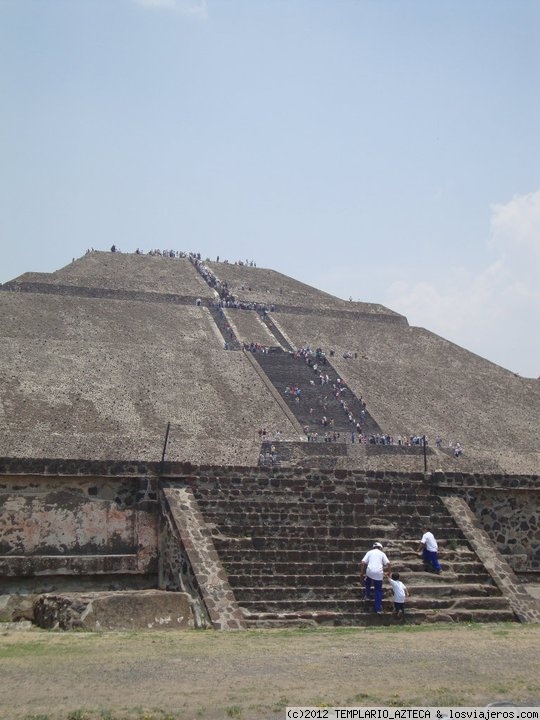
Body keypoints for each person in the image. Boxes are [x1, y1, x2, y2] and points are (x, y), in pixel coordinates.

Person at [360, 542, 391, 614]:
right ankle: (378, 609)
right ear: (380, 548)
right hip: (378, 573)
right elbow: (388, 563)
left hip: (370, 571)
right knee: (378, 590)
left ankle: (367, 596)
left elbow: (362, 562)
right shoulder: (382, 554)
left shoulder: (369, 552)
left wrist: (361, 573)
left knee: (367, 582)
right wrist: (389, 573)